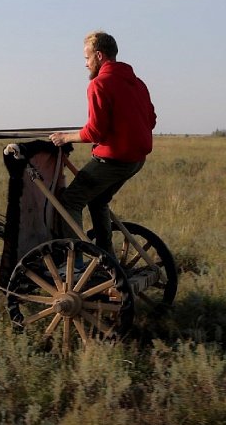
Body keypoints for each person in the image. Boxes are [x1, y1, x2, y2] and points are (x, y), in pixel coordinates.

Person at [48, 30, 156, 259]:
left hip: (114, 160)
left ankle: (77, 264)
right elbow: (152, 120)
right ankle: (107, 258)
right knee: (98, 200)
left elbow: (95, 132)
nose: (85, 64)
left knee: (69, 202)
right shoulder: (138, 84)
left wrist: (65, 138)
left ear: (99, 55)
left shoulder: (99, 84)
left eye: (87, 58)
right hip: (136, 161)